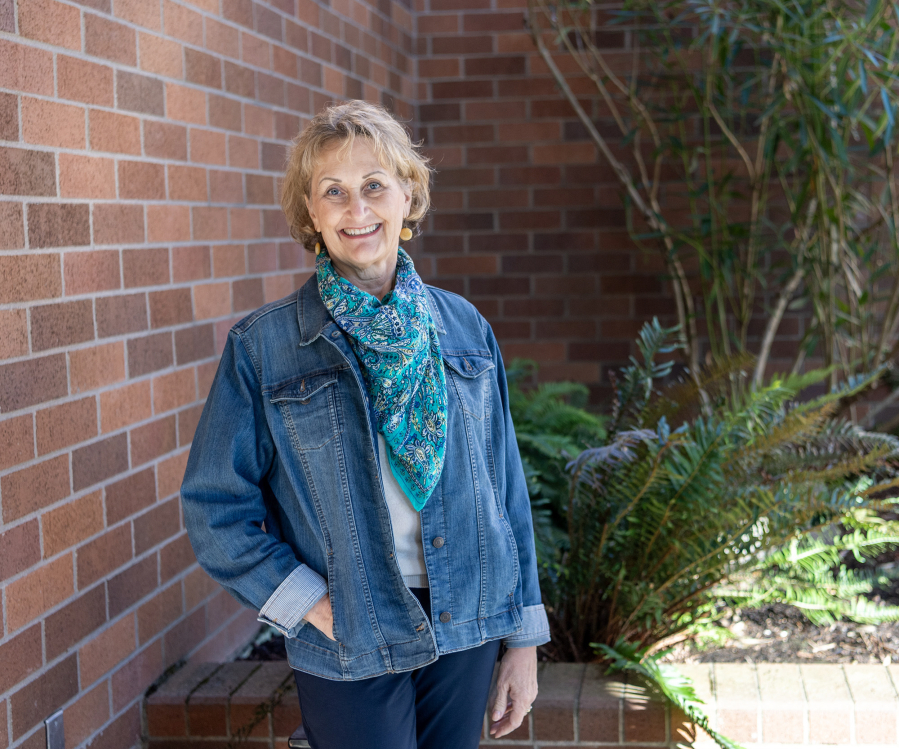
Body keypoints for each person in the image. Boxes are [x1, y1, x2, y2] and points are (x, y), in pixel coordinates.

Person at [179, 100, 550, 749]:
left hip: (468, 614)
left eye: (374, 186)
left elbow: (504, 488)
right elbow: (215, 506)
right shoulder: (265, 347)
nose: (357, 210)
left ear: (407, 196)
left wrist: (522, 638)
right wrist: (306, 604)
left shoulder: (463, 327)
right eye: (334, 192)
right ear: (310, 214)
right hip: (348, 625)